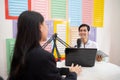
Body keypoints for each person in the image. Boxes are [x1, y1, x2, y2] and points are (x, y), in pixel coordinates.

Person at [7, 11, 81, 80]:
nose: (47, 28)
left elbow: (45, 70)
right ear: (40, 27)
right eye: (45, 24)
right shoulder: (43, 57)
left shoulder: (21, 52)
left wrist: (68, 70)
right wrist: (74, 73)